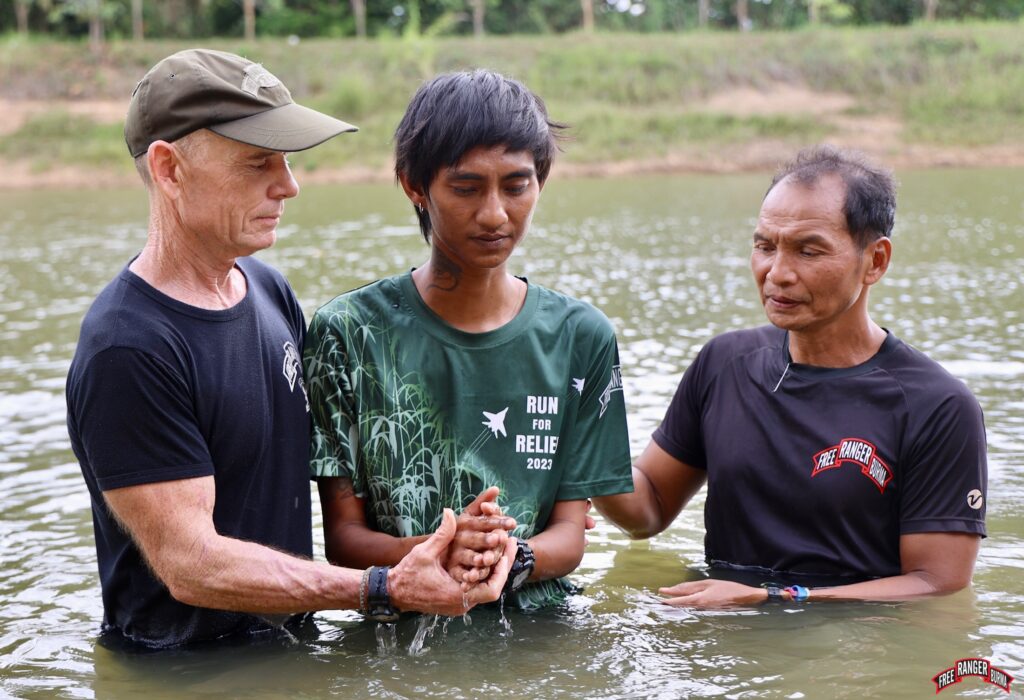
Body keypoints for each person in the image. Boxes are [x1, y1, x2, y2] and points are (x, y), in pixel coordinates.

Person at [65, 49, 515, 649]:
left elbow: (334, 459)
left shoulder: (268, 289)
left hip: (294, 649)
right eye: (258, 164)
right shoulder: (129, 347)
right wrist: (380, 588)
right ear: (170, 170)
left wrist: (437, 541)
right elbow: (192, 565)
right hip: (187, 673)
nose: (290, 185)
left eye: (287, 160)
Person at [594, 146, 987, 606]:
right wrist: (580, 437)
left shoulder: (937, 406)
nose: (776, 273)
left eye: (808, 250)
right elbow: (649, 506)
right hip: (725, 639)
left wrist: (774, 598)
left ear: (875, 261)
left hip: (845, 656)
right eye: (765, 246)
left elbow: (936, 584)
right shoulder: (724, 363)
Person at [304, 69, 634, 610]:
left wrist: (511, 558)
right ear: (415, 186)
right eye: (465, 187)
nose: (495, 214)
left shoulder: (581, 336)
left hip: (540, 629)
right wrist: (438, 551)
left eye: (516, 185)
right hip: (400, 625)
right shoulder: (347, 332)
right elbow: (344, 540)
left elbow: (570, 535)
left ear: (540, 182)